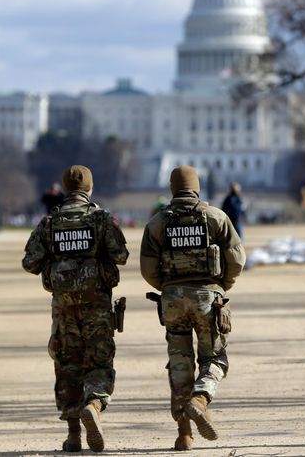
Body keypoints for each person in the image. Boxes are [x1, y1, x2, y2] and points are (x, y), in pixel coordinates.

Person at [22, 165, 129, 453]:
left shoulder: (50, 222)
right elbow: (121, 255)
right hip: (96, 304)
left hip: (63, 308)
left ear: (65, 188)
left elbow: (30, 262)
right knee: (98, 361)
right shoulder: (102, 219)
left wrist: (57, 263)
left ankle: (73, 436)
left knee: (67, 365)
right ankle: (93, 404)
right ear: (89, 189)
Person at [140, 165, 246, 451]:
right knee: (215, 359)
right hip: (207, 297)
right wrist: (221, 287)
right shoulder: (215, 217)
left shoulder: (158, 222)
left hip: (172, 300)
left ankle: (183, 434)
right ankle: (200, 399)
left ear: (173, 189)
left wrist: (168, 287)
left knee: (179, 363)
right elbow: (237, 258)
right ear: (196, 188)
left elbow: (147, 268)